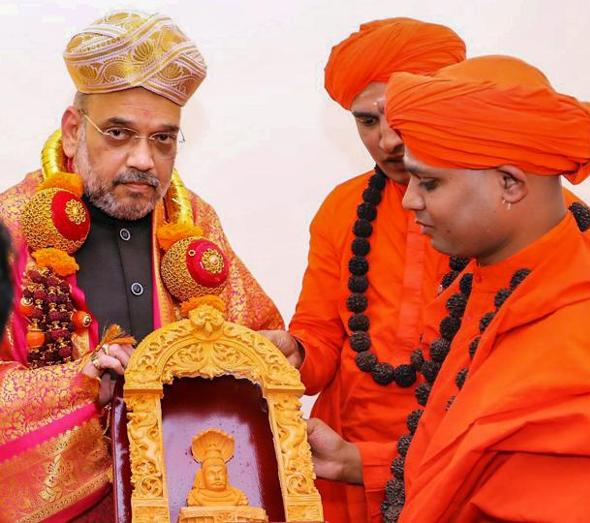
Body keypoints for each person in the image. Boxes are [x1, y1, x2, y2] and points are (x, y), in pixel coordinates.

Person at [0, 10, 282, 521]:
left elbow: (258, 333)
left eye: (163, 139)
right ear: (71, 131)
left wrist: (268, 353)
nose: (143, 160)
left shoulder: (194, 221)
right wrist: (77, 381)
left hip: (183, 499)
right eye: (118, 133)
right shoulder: (12, 227)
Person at [383, 55, 590, 522]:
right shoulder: (486, 282)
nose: (410, 199)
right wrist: (369, 466)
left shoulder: (587, 339)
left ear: (511, 184)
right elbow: (465, 469)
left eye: (430, 182)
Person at [260, 17, 467, 523]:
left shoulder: (498, 213)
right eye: (367, 121)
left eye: (400, 115)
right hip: (338, 467)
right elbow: (322, 336)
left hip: (456, 469)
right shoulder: (342, 208)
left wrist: (375, 463)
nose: (388, 140)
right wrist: (296, 350)